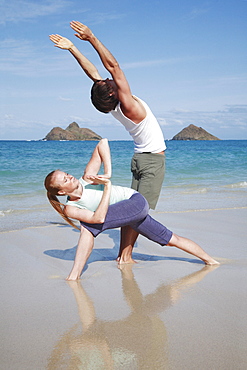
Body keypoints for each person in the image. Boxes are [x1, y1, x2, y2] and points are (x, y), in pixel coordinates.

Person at [49, 21, 166, 263]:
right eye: (108, 83)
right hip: (152, 162)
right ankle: (125, 257)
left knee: (130, 207)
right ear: (113, 93)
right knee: (137, 211)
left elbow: (93, 73)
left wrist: (73, 49)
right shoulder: (129, 106)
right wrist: (91, 37)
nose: (108, 79)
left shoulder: (114, 106)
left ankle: (125, 253)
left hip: (140, 158)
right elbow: (114, 66)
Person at [44, 139, 219, 280]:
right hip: (129, 214)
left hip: (135, 202)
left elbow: (102, 143)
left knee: (88, 227)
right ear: (61, 192)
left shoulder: (87, 178)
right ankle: (211, 261)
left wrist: (108, 174)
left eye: (66, 174)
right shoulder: (71, 208)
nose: (69, 176)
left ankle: (74, 276)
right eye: (65, 180)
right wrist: (107, 188)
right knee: (170, 238)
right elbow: (98, 218)